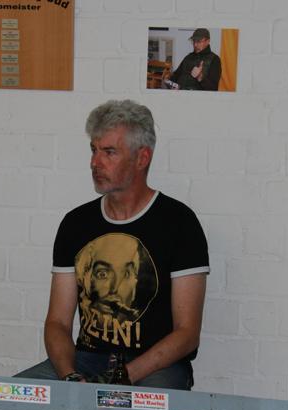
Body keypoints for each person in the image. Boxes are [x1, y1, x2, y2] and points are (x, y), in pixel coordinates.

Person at [15, 99, 209, 390]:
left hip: (156, 365)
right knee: (14, 398)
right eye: (93, 150)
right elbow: (58, 323)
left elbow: (187, 334)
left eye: (109, 152)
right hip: (86, 360)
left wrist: (121, 378)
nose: (95, 162)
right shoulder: (76, 223)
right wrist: (70, 377)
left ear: (142, 159)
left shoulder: (180, 223)